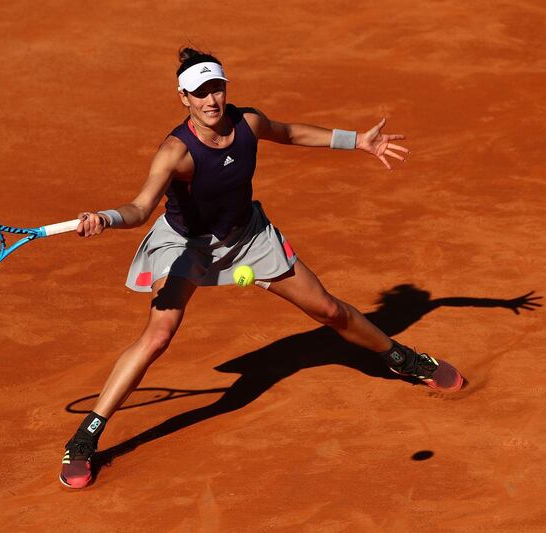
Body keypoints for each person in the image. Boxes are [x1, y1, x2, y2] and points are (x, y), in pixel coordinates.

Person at [59, 47, 463, 489]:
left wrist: (357, 141)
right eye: (200, 93)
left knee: (328, 309)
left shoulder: (247, 123)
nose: (211, 100)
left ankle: (401, 358)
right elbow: (139, 208)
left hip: (249, 237)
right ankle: (86, 437)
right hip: (186, 245)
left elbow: (289, 132)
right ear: (183, 98)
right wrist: (106, 218)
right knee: (158, 334)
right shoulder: (175, 152)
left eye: (217, 88)